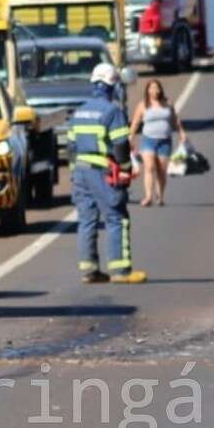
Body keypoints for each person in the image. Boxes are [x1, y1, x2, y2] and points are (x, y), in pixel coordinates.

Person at [68, 63, 146, 284]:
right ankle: (121, 271)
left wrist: (74, 174)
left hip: (80, 171)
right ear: (112, 86)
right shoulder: (112, 111)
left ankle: (89, 270)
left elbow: (71, 147)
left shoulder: (80, 111)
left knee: (87, 220)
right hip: (101, 171)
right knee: (117, 217)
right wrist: (125, 169)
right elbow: (121, 145)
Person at [131, 80, 187, 207]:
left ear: (160, 90)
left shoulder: (167, 103)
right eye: (151, 88)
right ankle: (148, 196)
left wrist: (181, 132)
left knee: (161, 170)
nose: (154, 91)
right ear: (147, 90)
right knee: (149, 167)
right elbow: (135, 122)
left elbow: (175, 120)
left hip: (164, 141)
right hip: (148, 140)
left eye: (157, 88)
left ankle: (160, 196)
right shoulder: (143, 105)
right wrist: (131, 137)